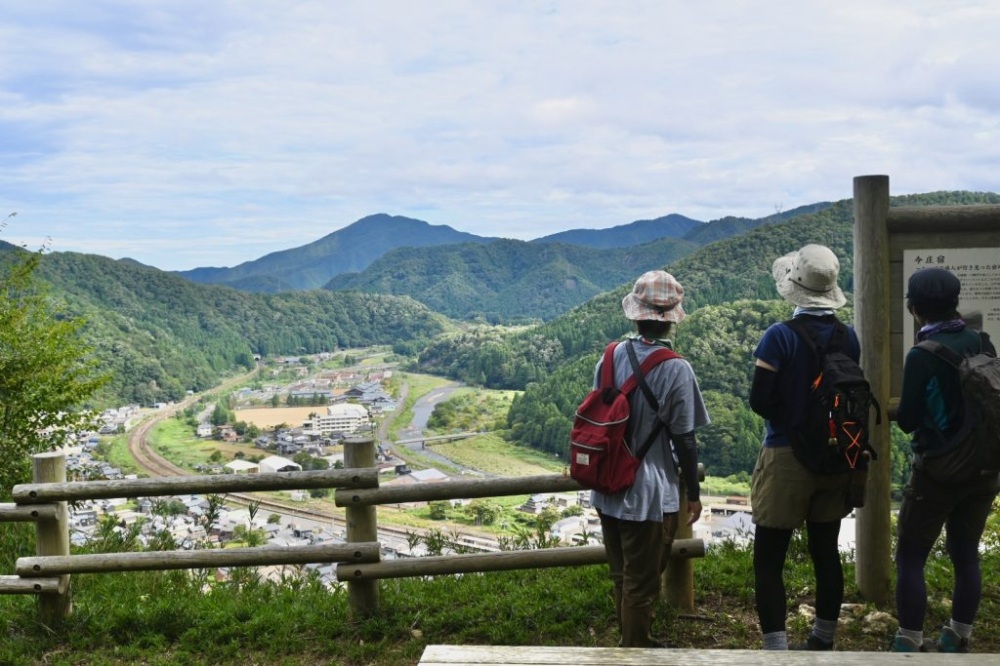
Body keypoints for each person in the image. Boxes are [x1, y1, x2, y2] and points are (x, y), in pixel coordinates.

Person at [591, 270, 709, 648]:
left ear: (636, 314)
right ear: (672, 318)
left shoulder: (609, 356)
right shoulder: (676, 368)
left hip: (608, 485)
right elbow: (685, 439)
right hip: (648, 493)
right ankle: (635, 649)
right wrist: (693, 492)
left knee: (622, 576)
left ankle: (632, 638)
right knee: (642, 584)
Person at [748, 244, 858, 651]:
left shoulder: (779, 336)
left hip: (786, 454)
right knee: (826, 551)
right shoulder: (850, 338)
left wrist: (792, 416)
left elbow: (760, 401)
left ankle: (777, 650)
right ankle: (823, 639)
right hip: (836, 455)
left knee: (769, 558)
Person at [891, 267, 999, 653]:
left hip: (940, 470)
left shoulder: (922, 354)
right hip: (985, 467)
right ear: (955, 302)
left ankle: (909, 641)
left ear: (914, 308)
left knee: (911, 555)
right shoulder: (982, 341)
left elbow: (907, 420)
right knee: (965, 551)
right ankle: (958, 634)